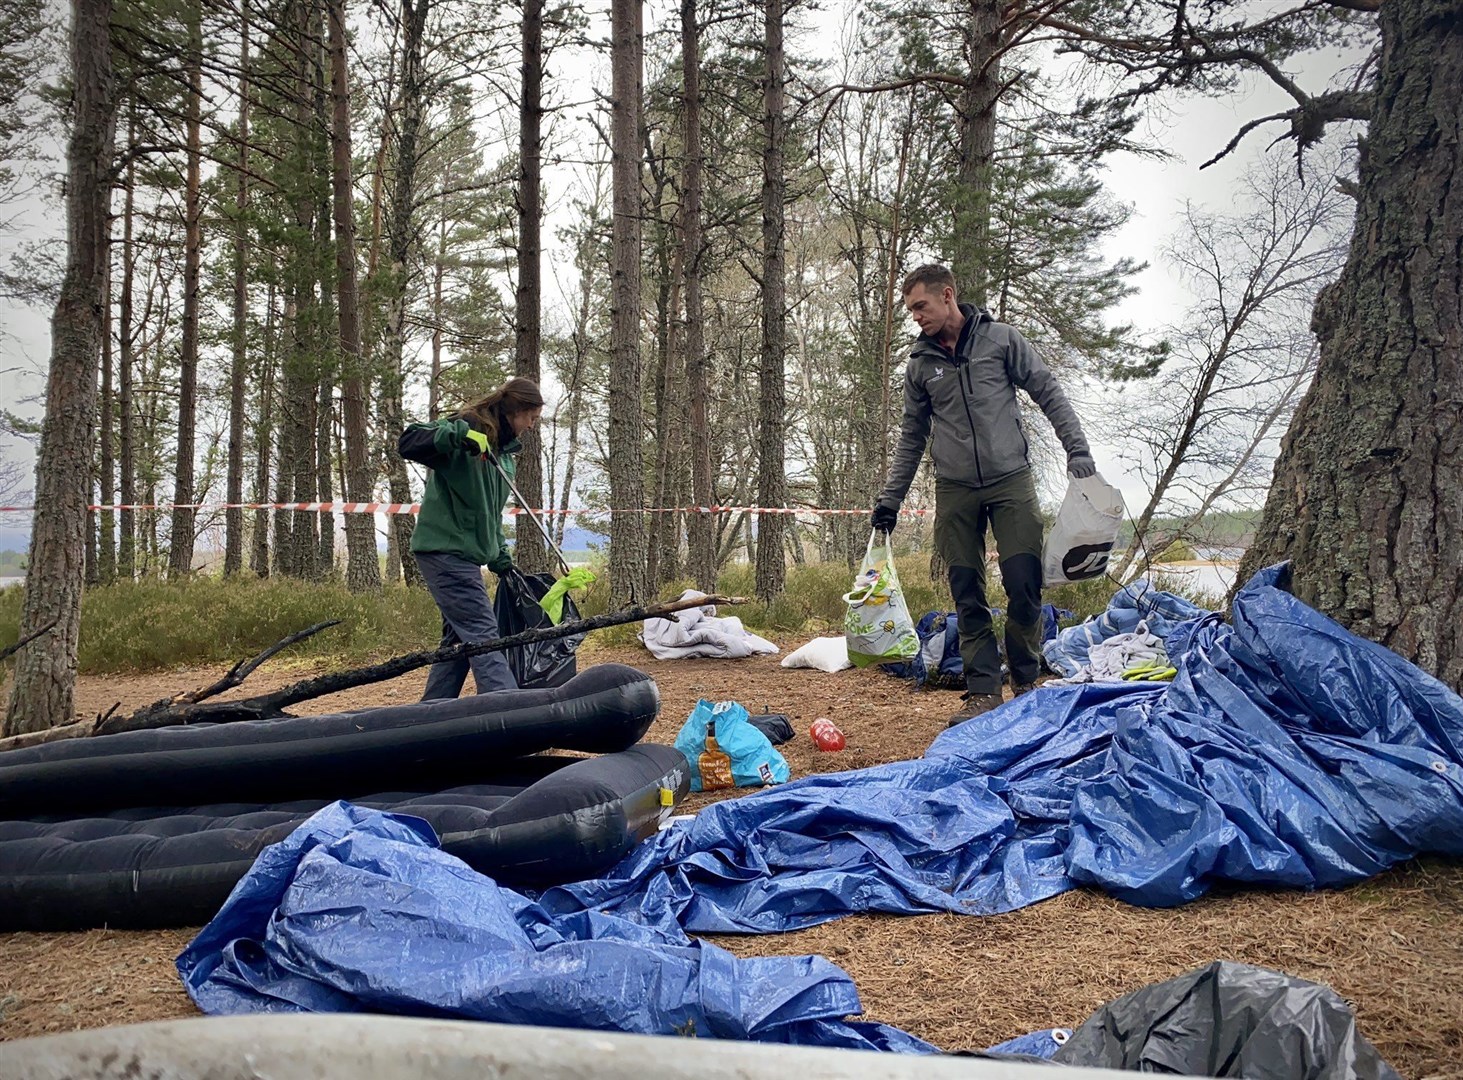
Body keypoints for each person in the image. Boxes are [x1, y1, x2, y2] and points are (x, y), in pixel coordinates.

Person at [871, 264, 1096, 726]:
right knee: (966, 588)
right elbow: (912, 438)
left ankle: (1027, 679)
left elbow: (1048, 392)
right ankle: (982, 691)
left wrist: (1077, 449)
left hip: (1010, 478)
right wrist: (891, 500)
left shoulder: (1001, 340)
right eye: (911, 310)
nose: (916, 317)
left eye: (921, 306)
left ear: (948, 295)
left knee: (1023, 579)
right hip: (954, 489)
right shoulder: (920, 366)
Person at [398, 377, 545, 700]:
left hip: (465, 553)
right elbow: (408, 440)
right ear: (515, 412)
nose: (532, 427)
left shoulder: (502, 457)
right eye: (531, 418)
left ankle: (431, 714)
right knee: (483, 634)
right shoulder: (464, 433)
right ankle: (507, 710)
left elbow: (487, 515)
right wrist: (458, 435)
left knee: (456, 642)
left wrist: (501, 558)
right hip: (445, 551)